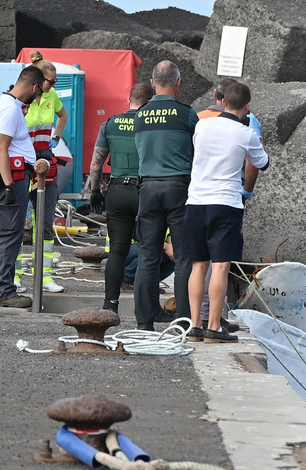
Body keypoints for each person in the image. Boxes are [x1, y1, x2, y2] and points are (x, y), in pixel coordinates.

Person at [184, 81, 269, 343]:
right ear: (247, 106)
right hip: (226, 204)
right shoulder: (246, 133)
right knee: (220, 267)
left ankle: (195, 326)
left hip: (196, 202)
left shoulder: (201, 124)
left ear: (221, 101)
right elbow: (262, 162)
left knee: (198, 266)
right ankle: (214, 328)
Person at [133, 60, 199, 330]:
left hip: (147, 187)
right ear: (179, 82)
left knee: (147, 255)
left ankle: (144, 322)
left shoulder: (140, 115)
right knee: (184, 256)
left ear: (152, 83)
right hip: (178, 188)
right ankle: (183, 321)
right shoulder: (187, 115)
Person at [85, 82, 151, 314]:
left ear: (128, 100)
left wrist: (95, 190)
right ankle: (146, 307)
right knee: (149, 249)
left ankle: (110, 304)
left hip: (116, 191)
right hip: (144, 191)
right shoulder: (150, 125)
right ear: (149, 103)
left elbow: (97, 162)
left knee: (117, 250)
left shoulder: (110, 124)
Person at [0, 66, 44, 308]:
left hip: (13, 177)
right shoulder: (10, 109)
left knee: (6, 235)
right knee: (9, 236)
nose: (37, 96)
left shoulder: (5, 105)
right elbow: (1, 148)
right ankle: (4, 292)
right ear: (33, 87)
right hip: (13, 178)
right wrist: (8, 184)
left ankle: (4, 289)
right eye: (39, 91)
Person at [24, 51, 68, 293]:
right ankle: (14, 277)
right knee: (19, 226)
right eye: (51, 81)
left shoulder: (52, 96)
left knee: (46, 223)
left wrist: (56, 138)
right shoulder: (20, 97)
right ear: (37, 80)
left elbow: (62, 115)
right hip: (23, 163)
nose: (53, 85)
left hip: (45, 161)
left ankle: (45, 276)